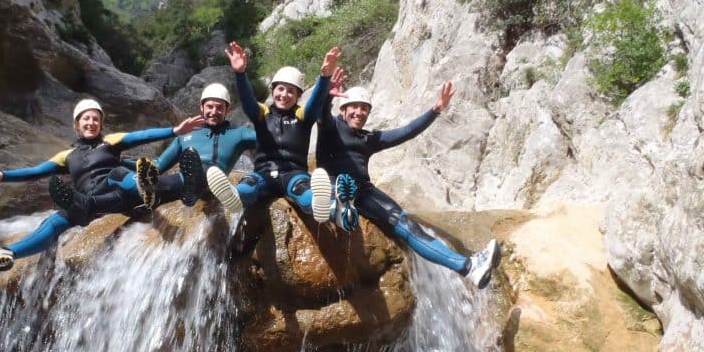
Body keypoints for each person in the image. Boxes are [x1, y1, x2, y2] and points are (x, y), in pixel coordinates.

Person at [0, 99, 203, 272]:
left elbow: (142, 135)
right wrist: (2, 175)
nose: (91, 123)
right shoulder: (66, 156)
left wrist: (174, 130)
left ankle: (144, 187)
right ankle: (7, 254)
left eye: (96, 119)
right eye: (86, 119)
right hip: (88, 204)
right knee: (55, 221)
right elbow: (35, 172)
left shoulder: (110, 141)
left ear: (101, 124)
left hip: (118, 191)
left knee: (119, 171)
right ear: (77, 124)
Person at [315, 71, 502, 289]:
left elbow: (405, 132)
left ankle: (468, 268)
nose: (359, 112)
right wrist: (327, 94)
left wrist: (436, 110)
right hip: (333, 181)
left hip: (363, 191)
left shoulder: (369, 139)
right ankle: (333, 203)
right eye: (354, 107)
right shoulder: (331, 127)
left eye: (364, 108)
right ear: (343, 109)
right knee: (335, 185)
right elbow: (321, 114)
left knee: (407, 225)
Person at [204, 42, 337, 220]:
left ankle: (317, 205)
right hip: (263, 173)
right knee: (248, 185)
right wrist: (240, 73)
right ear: (273, 90)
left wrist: (324, 77)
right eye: (280, 89)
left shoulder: (303, 115)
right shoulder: (262, 112)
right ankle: (235, 197)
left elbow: (316, 102)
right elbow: (247, 101)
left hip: (294, 174)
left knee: (303, 190)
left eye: (291, 91)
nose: (284, 94)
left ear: (298, 96)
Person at [150, 82, 257, 205]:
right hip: (184, 181)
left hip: (214, 183)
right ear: (202, 107)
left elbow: (268, 140)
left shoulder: (239, 133)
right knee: (150, 184)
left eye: (219, 107)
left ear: (227, 110)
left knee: (203, 172)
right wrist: (125, 165)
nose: (214, 111)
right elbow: (158, 165)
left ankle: (194, 184)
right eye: (210, 106)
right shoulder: (186, 133)